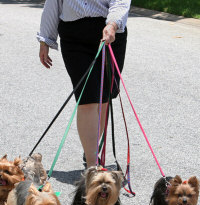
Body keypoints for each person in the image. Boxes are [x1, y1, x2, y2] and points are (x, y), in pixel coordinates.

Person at [37, 0, 131, 168]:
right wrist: (45, 40)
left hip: (110, 33)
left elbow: (120, 2)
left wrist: (113, 24)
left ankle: (91, 149)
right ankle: (92, 165)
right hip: (74, 37)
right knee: (88, 98)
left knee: (103, 97)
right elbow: (53, 4)